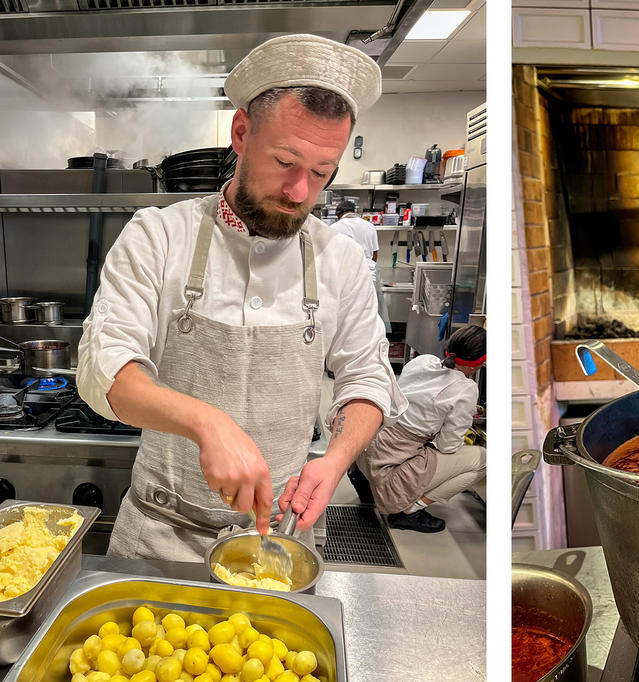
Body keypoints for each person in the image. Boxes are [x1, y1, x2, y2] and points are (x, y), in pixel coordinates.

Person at [76, 34, 404, 561]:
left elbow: (367, 377)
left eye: (321, 174)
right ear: (241, 132)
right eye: (285, 162)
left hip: (275, 541)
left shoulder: (339, 260)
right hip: (159, 536)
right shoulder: (158, 236)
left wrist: (337, 458)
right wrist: (207, 422)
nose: (299, 192)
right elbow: (103, 370)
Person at [356, 326, 486, 533]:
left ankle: (370, 489)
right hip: (391, 465)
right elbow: (448, 445)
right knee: (483, 460)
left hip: (366, 450)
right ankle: (408, 511)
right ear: (480, 363)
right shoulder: (465, 389)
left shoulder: (422, 361)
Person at [330, 199, 392, 330]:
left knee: (348, 319)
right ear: (354, 212)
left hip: (346, 279)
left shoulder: (334, 228)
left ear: (338, 214)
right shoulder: (369, 226)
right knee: (367, 316)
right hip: (369, 275)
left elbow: (331, 258)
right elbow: (375, 255)